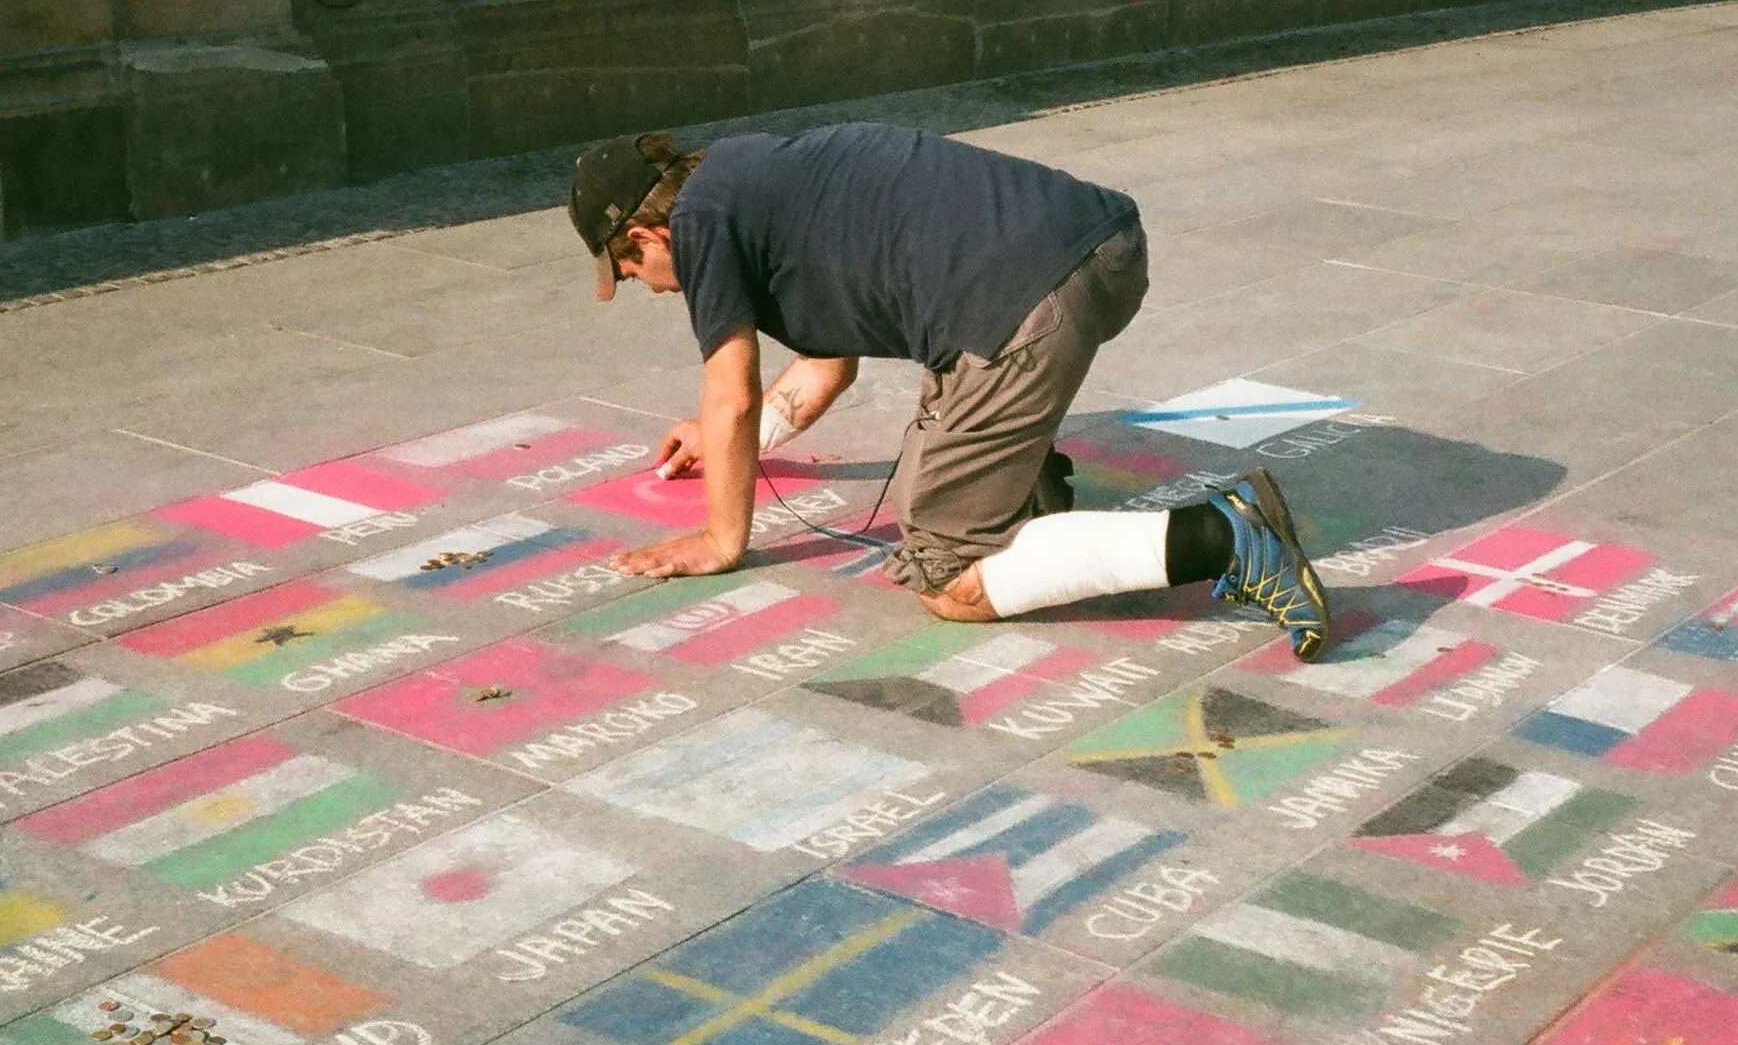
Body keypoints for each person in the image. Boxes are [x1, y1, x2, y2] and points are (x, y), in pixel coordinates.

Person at [567, 126, 1331, 656]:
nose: (646, 288)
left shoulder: (701, 229)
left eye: (629, 273)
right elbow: (826, 366)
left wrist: (719, 541)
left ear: (644, 236)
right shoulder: (743, 178)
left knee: (944, 576)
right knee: (950, 441)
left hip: (1025, 300)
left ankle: (1228, 536)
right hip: (1098, 247)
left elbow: (728, 392)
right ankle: (1025, 488)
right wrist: (734, 445)